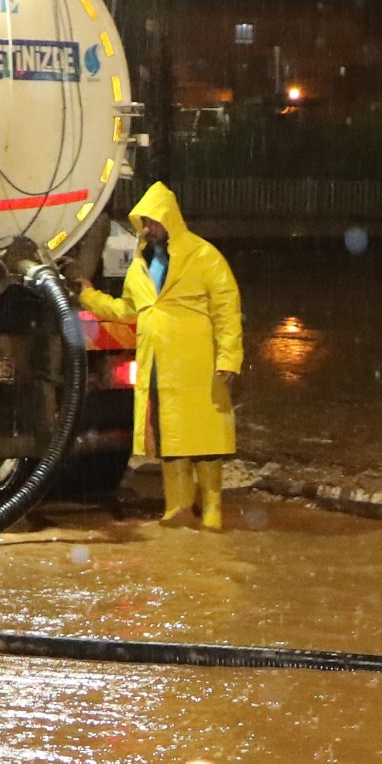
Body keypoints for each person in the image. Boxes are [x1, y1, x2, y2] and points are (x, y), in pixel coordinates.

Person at [77, 182, 243, 528]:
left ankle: (212, 508)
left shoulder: (203, 255)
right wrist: (89, 298)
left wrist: (228, 358)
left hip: (197, 360)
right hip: (157, 363)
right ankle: (177, 507)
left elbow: (226, 308)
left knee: (205, 436)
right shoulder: (140, 264)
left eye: (152, 221)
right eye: (144, 223)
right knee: (168, 436)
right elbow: (128, 308)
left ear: (170, 219)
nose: (148, 228)